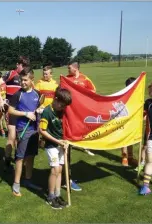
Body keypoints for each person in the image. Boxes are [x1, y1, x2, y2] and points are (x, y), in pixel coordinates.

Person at [60, 61, 96, 192]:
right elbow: (60, 93)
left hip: (79, 116)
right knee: (66, 148)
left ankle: (66, 178)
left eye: (69, 67)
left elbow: (93, 92)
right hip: (67, 116)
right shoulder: (66, 79)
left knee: (73, 142)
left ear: (75, 68)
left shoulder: (85, 78)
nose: (67, 69)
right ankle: (66, 179)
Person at [8, 67, 42, 197]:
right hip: (22, 129)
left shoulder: (37, 94)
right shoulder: (18, 94)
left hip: (34, 130)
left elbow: (38, 108)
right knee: (20, 158)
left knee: (31, 156)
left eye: (25, 80)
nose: (22, 83)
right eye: (21, 80)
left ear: (32, 80)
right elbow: (10, 111)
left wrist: (39, 111)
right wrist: (26, 113)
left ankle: (28, 181)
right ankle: (16, 185)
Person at [0, 56, 30, 171]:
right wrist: (0, 99)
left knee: (20, 138)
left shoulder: (25, 77)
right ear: (17, 64)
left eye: (25, 66)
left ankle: (18, 159)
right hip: (12, 111)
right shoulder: (11, 73)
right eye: (21, 65)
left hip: (23, 111)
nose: (23, 68)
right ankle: (7, 161)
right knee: (11, 137)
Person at [39, 87, 72, 209]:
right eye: (62, 105)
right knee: (55, 170)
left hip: (62, 145)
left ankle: (57, 195)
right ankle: (50, 197)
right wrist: (58, 141)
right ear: (56, 100)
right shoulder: (47, 112)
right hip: (51, 146)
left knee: (60, 170)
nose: (63, 108)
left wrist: (66, 140)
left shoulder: (62, 111)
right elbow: (42, 130)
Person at [135, 81, 152, 172]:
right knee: (145, 147)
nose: (149, 93)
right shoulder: (148, 102)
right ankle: (142, 162)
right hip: (149, 130)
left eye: (150, 91)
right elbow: (143, 114)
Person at [35, 65, 58, 148]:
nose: (45, 76)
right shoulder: (39, 83)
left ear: (51, 74)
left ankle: (45, 141)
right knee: (39, 127)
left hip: (50, 110)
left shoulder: (55, 84)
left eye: (47, 74)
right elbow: (35, 96)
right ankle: (36, 143)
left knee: (48, 127)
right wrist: (38, 107)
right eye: (44, 74)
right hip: (41, 109)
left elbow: (56, 97)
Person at [120, 77, 138, 166]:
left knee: (131, 139)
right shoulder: (124, 94)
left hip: (133, 119)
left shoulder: (138, 94)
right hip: (124, 120)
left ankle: (130, 158)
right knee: (125, 139)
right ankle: (124, 158)